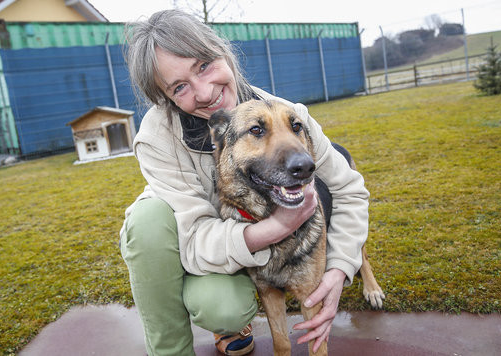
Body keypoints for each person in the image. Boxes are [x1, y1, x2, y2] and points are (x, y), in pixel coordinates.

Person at [119, 9, 369, 356]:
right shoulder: (156, 137)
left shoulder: (290, 114)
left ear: (223, 52)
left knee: (226, 306)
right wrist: (278, 227)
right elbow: (192, 241)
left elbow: (349, 190)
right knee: (146, 222)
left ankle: (231, 319)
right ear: (166, 98)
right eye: (180, 86)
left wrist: (339, 269)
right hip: (194, 243)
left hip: (238, 243)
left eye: (203, 65)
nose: (205, 93)